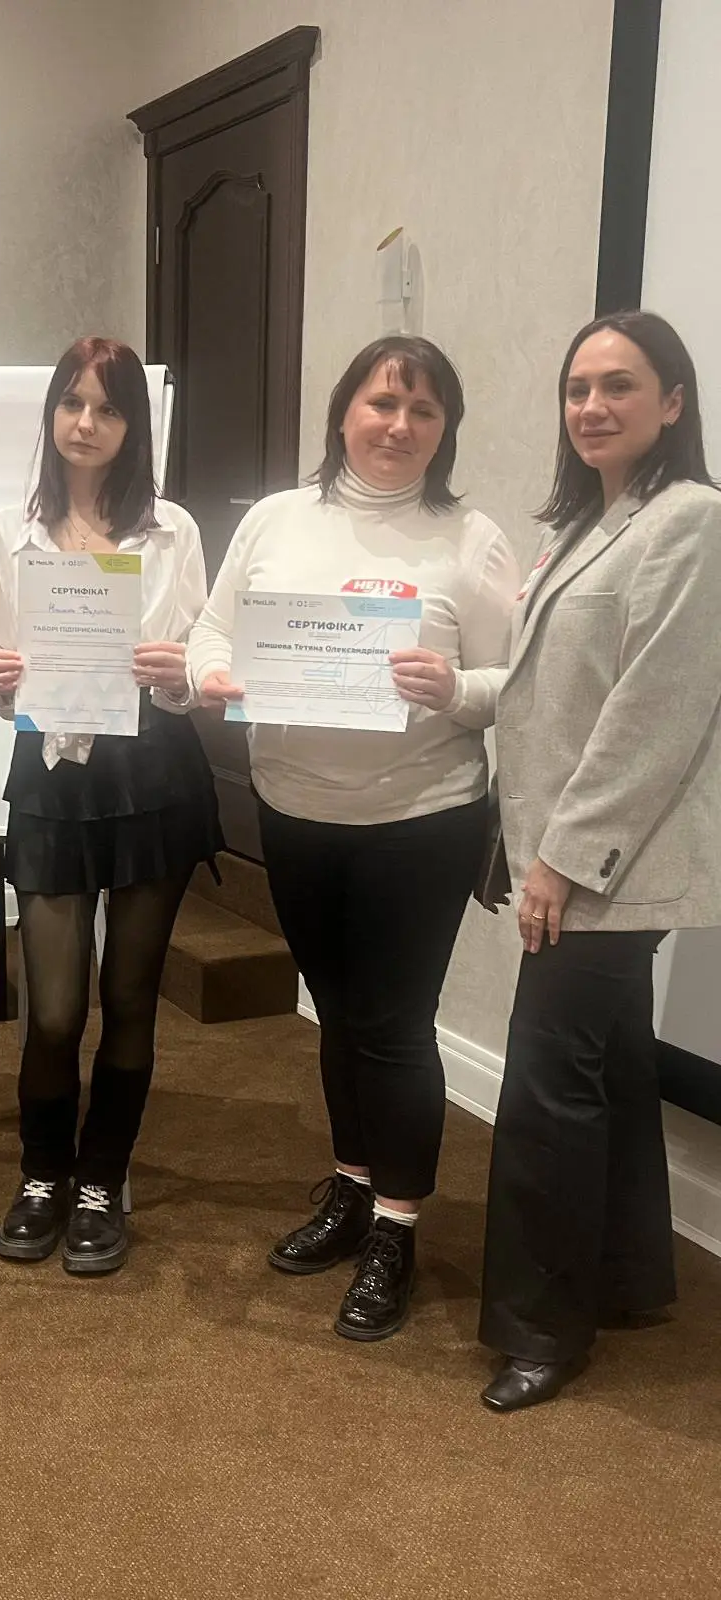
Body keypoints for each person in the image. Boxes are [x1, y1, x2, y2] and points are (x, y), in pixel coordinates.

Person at [189, 335, 519, 1340]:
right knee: (335, 1014)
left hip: (421, 819)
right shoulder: (277, 520)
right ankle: (352, 1187)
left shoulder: (471, 540)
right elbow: (212, 629)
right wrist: (209, 674)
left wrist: (453, 687)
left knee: (396, 1026)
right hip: (296, 811)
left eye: (424, 411)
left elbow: (517, 682)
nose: (399, 425)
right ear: (342, 413)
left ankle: (397, 1231)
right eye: (382, 403)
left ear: (446, 429)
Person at [478, 311, 721, 1411]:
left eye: (620, 385)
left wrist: (563, 863)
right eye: (578, 387)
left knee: (547, 1086)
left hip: (607, 863)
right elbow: (549, 684)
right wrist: (459, 694)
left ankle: (542, 1327)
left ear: (673, 402)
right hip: (568, 847)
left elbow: (653, 715)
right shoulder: (586, 523)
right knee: (612, 1065)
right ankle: (625, 1275)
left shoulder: (691, 520)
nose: (592, 406)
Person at [0, 336, 221, 1274]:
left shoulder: (174, 530)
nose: (86, 423)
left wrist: (176, 671)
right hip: (51, 777)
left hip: (152, 775)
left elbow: (194, 676)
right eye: (72, 403)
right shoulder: (5, 533)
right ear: (51, 414)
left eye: (108, 408)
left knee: (128, 999)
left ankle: (98, 1181)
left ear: (133, 425)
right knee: (53, 1008)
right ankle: (42, 1172)